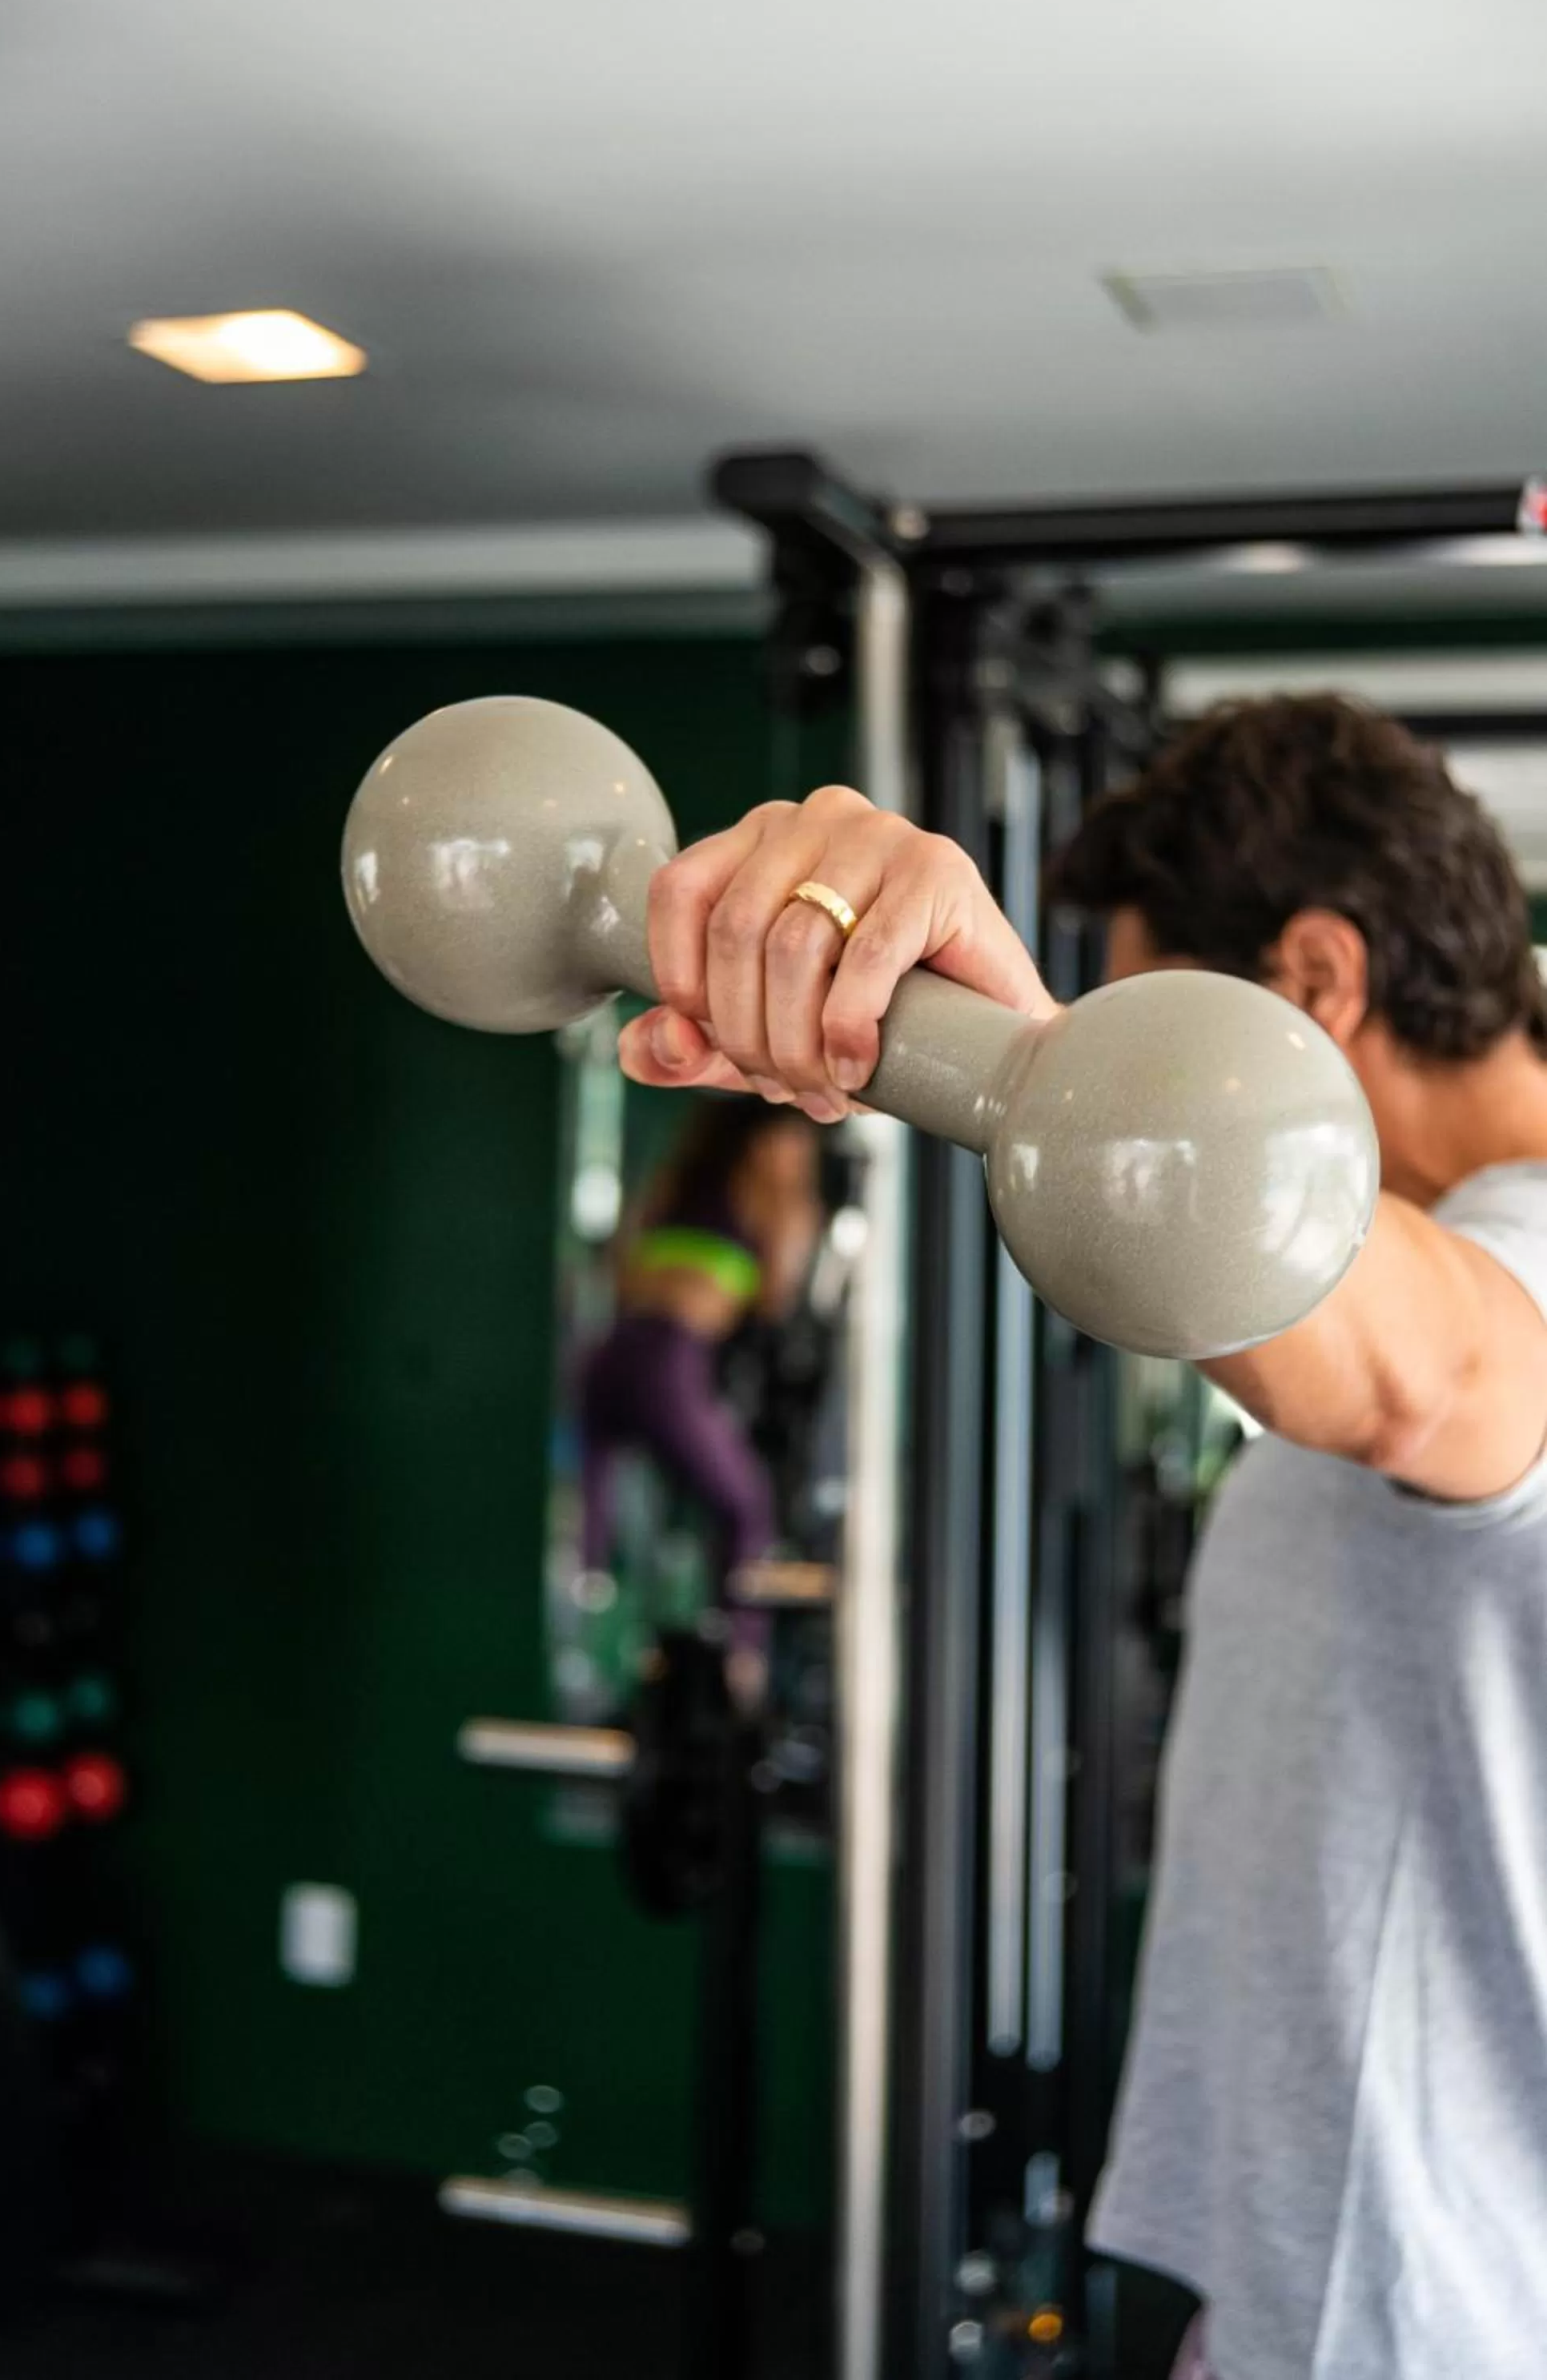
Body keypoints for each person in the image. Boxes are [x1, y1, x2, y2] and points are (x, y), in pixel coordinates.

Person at [616, 694, 1547, 2380]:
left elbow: (1431, 1373)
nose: (1127, 1082)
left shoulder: (1515, 1272)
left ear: (1316, 983)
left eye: (1155, 1026)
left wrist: (1031, 1060)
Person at [580, 1092, 822, 1689]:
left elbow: (621, 1265)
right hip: (670, 1361)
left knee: (594, 1545)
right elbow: (777, 1297)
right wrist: (799, 1210)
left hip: (610, 1355)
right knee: (746, 1508)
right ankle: (740, 1668)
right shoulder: (765, 1190)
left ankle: (598, 1636)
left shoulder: (679, 1179)